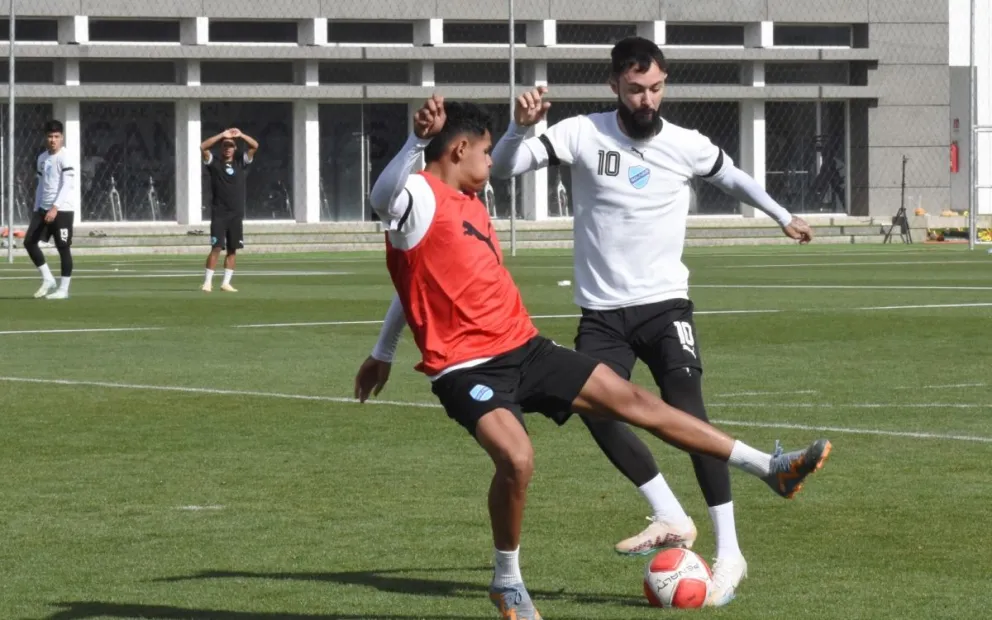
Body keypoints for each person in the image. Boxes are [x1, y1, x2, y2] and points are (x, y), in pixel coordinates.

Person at [353, 94, 831, 620]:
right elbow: (381, 198)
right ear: (459, 149)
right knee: (517, 459)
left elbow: (410, 285)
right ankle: (507, 581)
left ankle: (769, 468)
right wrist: (417, 140)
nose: (491, 162)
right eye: (486, 152)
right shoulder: (418, 195)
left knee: (638, 403)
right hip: (466, 369)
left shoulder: (471, 202)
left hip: (525, 346)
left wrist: (382, 351)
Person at [486, 36, 818, 607]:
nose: (647, 99)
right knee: (592, 408)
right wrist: (519, 128)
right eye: (636, 89)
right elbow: (504, 167)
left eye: (656, 88)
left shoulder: (686, 144)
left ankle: (730, 552)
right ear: (614, 84)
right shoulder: (580, 133)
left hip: (666, 306)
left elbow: (733, 176)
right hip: (602, 314)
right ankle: (669, 512)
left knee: (688, 415)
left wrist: (782, 215)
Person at [200, 127, 258, 293]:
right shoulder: (215, 163)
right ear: (221, 147)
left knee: (232, 250)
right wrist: (222, 135)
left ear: (235, 148)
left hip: (236, 214)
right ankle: (207, 282)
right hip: (219, 213)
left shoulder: (241, 163)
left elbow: (255, 146)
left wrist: (241, 135)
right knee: (216, 248)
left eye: (230, 145)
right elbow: (203, 147)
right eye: (225, 145)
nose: (228, 148)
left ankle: (226, 283)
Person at [26, 120, 76, 300]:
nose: (53, 140)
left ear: (61, 137)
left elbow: (67, 184)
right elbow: (41, 185)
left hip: (62, 209)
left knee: (63, 247)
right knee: (29, 242)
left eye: (56, 136)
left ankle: (63, 289)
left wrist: (55, 207)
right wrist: (37, 207)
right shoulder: (42, 158)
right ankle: (48, 278)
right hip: (43, 208)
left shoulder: (65, 157)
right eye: (50, 136)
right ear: (45, 137)